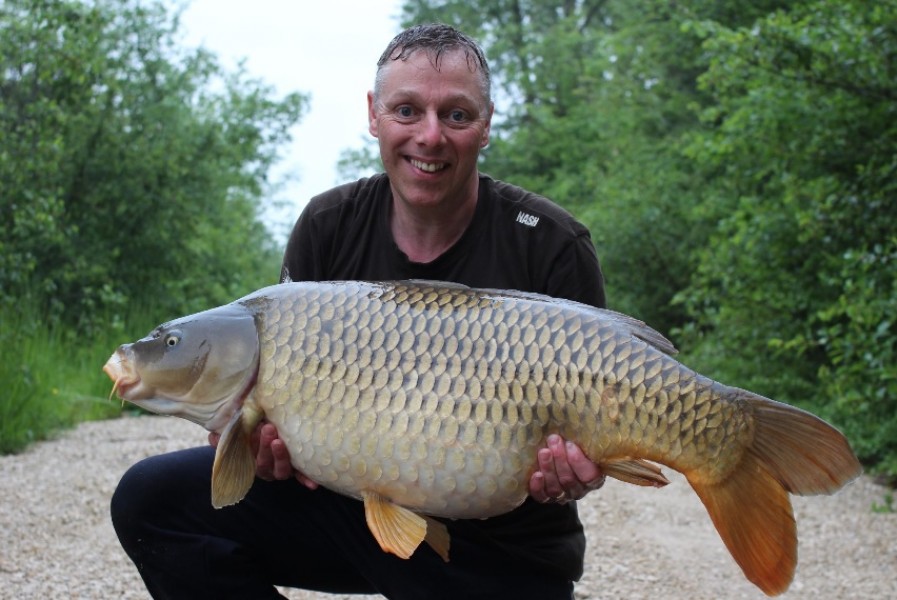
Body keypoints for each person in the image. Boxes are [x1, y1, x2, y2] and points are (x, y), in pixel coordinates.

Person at [112, 23, 607, 600]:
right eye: (406, 110)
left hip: (504, 546)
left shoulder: (550, 245)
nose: (429, 136)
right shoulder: (328, 226)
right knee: (153, 500)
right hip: (348, 517)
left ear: (487, 122)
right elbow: (265, 449)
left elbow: (588, 451)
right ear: (374, 114)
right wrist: (264, 451)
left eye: (456, 115)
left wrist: (573, 475)